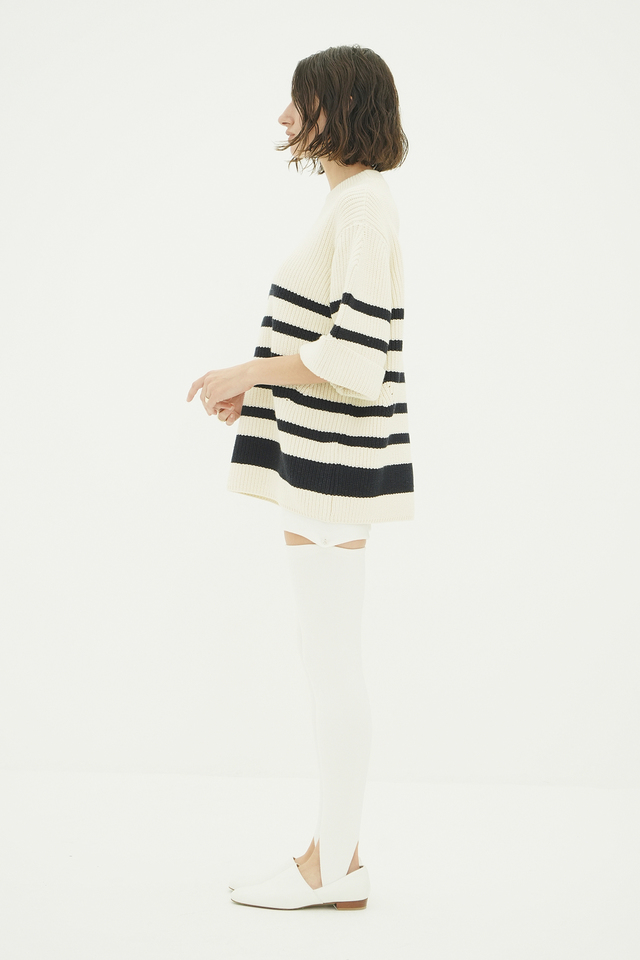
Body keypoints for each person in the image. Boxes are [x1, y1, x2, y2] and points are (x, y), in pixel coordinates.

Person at [187, 44, 414, 910]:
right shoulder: (353, 203)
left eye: (301, 101)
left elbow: (356, 358)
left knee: (331, 663)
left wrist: (249, 373)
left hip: (331, 467)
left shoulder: (363, 208)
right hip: (321, 457)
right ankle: (333, 854)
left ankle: (336, 868)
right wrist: (263, 393)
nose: (285, 118)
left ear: (341, 109)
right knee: (325, 656)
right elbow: (333, 342)